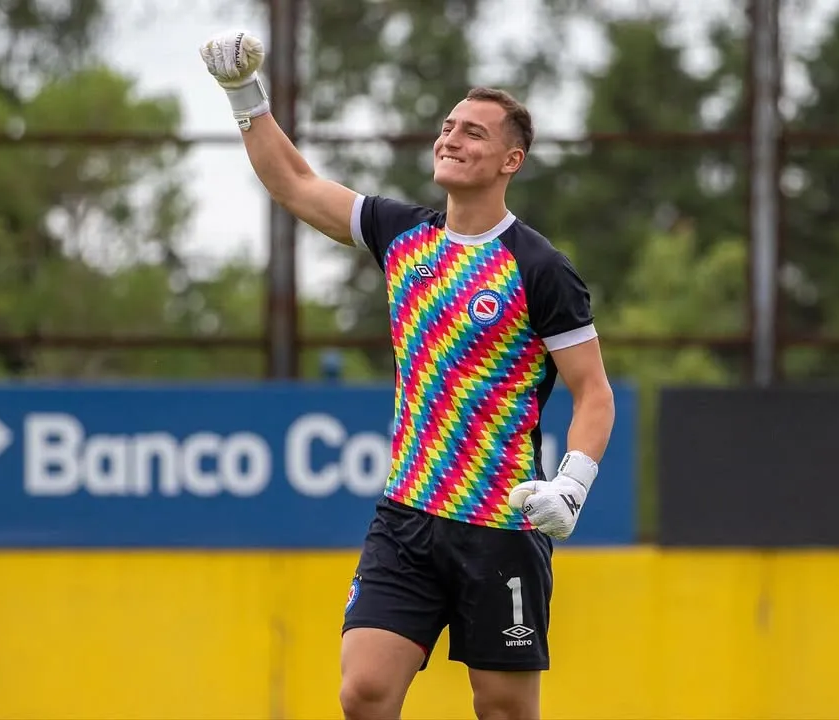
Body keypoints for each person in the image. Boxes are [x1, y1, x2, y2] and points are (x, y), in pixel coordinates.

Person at [201, 30, 616, 720]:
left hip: (499, 525)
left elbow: (593, 392)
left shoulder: (540, 268)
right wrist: (246, 94)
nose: (451, 138)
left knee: (504, 709)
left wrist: (571, 487)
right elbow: (296, 184)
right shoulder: (403, 235)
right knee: (363, 692)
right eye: (448, 126)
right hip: (407, 516)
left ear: (511, 160)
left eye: (474, 133)